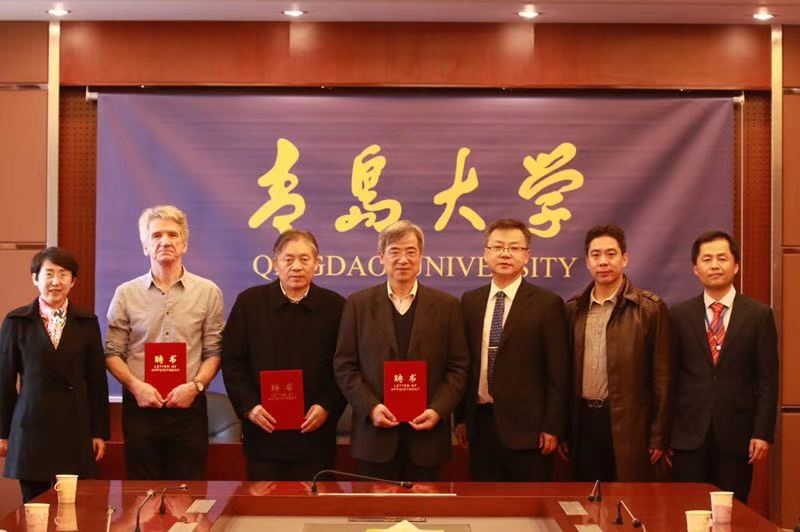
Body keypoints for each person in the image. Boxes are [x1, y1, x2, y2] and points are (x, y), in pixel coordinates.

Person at [334, 220, 468, 481]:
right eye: (394, 252)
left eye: (411, 251)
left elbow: (458, 366)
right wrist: (371, 408)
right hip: (374, 438)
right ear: (381, 257)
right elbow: (344, 365)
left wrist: (438, 409)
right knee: (374, 506)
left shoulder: (447, 306)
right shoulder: (358, 305)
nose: (403, 260)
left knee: (425, 507)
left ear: (421, 257)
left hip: (427, 437)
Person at [105, 205, 224, 480]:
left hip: (189, 406)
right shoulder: (126, 293)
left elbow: (214, 351)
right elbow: (112, 352)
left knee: (188, 491)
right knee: (142, 492)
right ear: (145, 246)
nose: (165, 241)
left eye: (173, 234)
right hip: (140, 406)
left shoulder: (208, 292)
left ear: (184, 243)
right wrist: (136, 387)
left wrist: (195, 387)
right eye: (156, 235)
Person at [222, 229, 345, 480]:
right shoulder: (249, 303)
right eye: (288, 259)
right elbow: (233, 362)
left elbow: (344, 366)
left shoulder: (336, 306)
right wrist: (250, 406)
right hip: (263, 432)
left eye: (304, 259)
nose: (296, 266)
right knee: (265, 502)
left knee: (315, 500)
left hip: (315, 434)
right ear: (275, 264)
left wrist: (327, 406)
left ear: (317, 263)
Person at [454, 219, 568, 481]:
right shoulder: (470, 301)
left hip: (529, 431)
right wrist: (461, 419)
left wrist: (552, 426)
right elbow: (464, 365)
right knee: (483, 501)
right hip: (480, 425)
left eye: (514, 248)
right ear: (486, 253)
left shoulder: (547, 304)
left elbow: (557, 372)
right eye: (498, 247)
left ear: (527, 255)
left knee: (528, 501)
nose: (505, 254)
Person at [670, 230, 778, 503]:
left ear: (736, 265)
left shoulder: (759, 315)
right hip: (688, 436)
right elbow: (668, 378)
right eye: (707, 259)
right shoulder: (679, 315)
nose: (715, 265)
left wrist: (762, 432)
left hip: (737, 436)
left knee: (732, 510)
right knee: (688, 509)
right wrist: (665, 435)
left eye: (722, 258)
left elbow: (767, 380)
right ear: (696, 269)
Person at [562, 224, 671, 481]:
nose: (603, 261)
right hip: (583, 421)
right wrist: (564, 429)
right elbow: (562, 377)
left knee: (627, 499)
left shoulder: (649, 309)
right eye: (596, 255)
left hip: (630, 424)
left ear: (625, 258)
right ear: (587, 262)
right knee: (586, 499)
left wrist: (659, 434)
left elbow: (663, 378)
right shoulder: (573, 310)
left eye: (611, 254)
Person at [0, 247, 109, 503]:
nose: (55, 282)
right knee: (34, 507)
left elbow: (96, 381)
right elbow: (4, 381)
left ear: (73, 281)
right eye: (48, 274)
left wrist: (99, 432)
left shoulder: (87, 322)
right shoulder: (16, 322)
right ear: (35, 278)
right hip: (31, 427)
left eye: (63, 274)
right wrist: (3, 433)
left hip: (75, 426)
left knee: (73, 506)